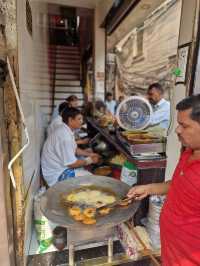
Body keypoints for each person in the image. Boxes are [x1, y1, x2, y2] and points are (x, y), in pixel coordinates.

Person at [127, 94, 200, 265]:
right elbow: (178, 185)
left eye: (184, 125)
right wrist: (148, 188)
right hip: (171, 252)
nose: (177, 130)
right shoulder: (188, 152)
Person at [41, 107, 100, 187]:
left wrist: (89, 154)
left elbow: (75, 149)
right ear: (70, 120)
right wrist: (90, 160)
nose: (82, 122)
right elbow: (71, 163)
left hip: (58, 168)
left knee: (84, 167)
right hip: (57, 175)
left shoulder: (66, 130)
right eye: (79, 119)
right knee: (91, 179)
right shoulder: (65, 137)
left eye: (81, 119)